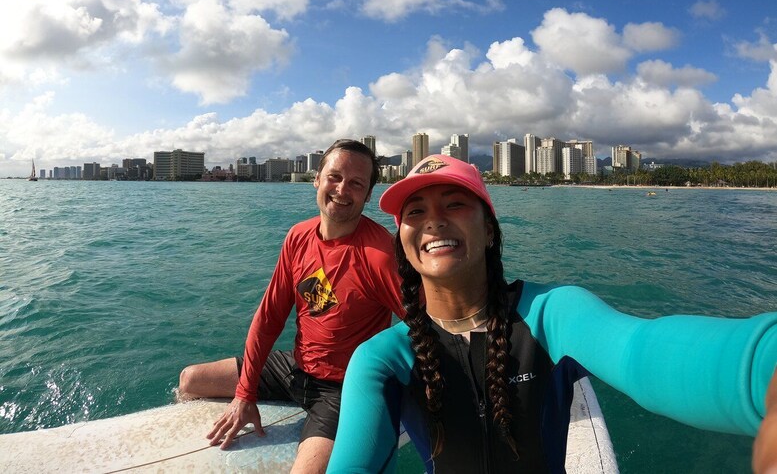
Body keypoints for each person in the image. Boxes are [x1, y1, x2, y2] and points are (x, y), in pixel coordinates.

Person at [327, 154, 777, 473]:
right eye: (416, 211)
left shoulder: (551, 314)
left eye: (454, 203)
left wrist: (765, 373)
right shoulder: (383, 359)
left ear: (488, 231)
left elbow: (642, 351)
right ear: (403, 242)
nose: (433, 220)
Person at [177, 139, 403, 474]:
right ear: (317, 179)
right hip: (295, 368)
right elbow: (268, 318)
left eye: (357, 183)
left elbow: (425, 327)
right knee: (190, 380)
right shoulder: (298, 237)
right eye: (335, 177)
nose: (343, 189)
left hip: (342, 391)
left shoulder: (380, 254)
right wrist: (245, 394)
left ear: (368, 194)